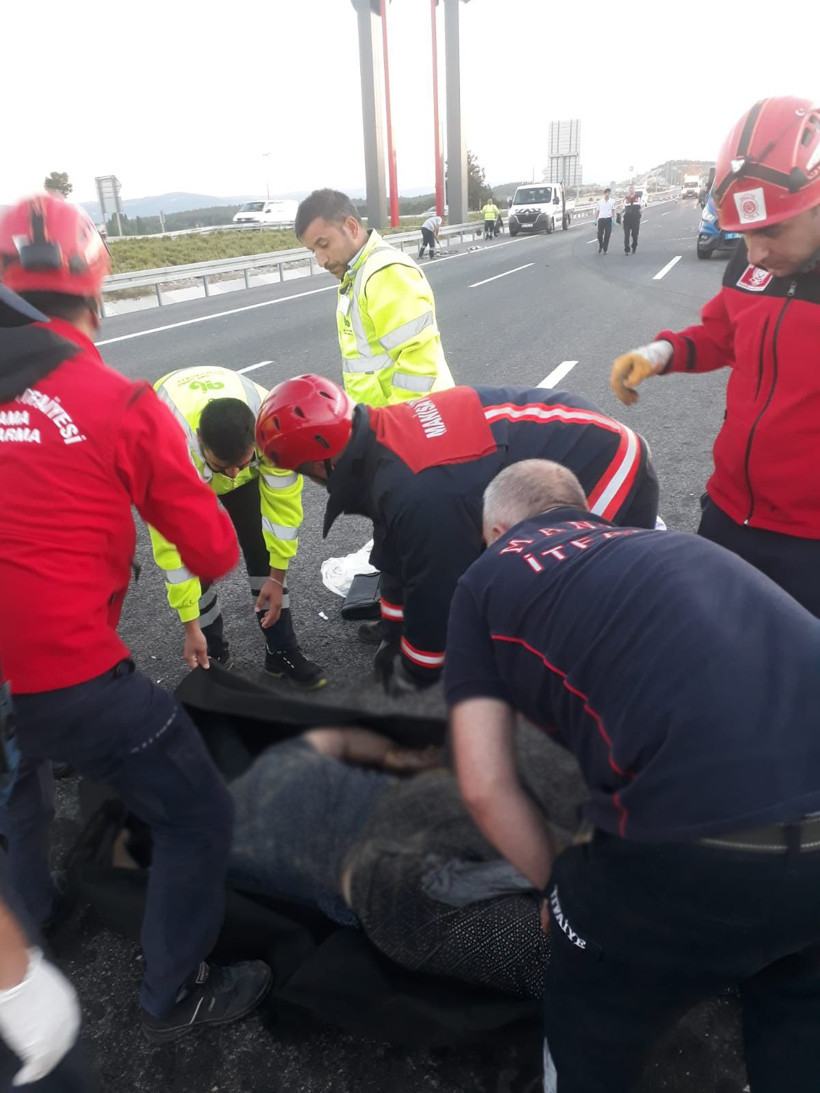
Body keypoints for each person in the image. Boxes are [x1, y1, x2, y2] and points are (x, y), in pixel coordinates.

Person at [446, 457, 820, 1093]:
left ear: (495, 529)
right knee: (800, 1001)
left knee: (591, 1017)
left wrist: (554, 885)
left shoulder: (485, 579)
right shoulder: (669, 544)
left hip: (692, 847)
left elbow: (484, 785)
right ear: (587, 511)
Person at [0, 195, 271, 1041]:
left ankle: (30, 933)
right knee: (195, 814)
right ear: (97, 291)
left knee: (18, 782)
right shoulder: (116, 400)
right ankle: (171, 995)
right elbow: (214, 552)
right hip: (69, 675)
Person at [255, 375, 659, 694]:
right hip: (557, 439)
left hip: (604, 464)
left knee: (557, 605)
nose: (306, 480)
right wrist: (394, 631)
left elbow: (437, 594)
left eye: (301, 471)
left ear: (322, 463)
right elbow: (394, 549)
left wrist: (414, 677)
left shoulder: (419, 493)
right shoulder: (377, 437)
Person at [611, 96, 820, 615]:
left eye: (771, 230)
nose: (756, 253)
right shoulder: (751, 273)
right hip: (728, 513)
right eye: (744, 233)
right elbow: (721, 334)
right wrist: (660, 353)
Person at [224, 726, 553, 998]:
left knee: (569, 941)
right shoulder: (230, 834)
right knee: (564, 949)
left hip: (410, 847)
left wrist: (396, 755)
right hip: (393, 885)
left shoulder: (278, 765)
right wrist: (394, 755)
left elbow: (342, 740)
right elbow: (342, 741)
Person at [150, 366, 325, 688]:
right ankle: (211, 656)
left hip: (224, 448)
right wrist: (191, 628)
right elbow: (171, 549)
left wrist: (277, 574)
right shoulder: (166, 449)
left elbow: (283, 510)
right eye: (221, 467)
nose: (231, 476)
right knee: (196, 556)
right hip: (183, 462)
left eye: (242, 465)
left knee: (262, 545)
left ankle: (282, 651)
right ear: (201, 441)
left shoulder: (273, 429)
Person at [294, 189, 454, 406]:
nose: (320, 260)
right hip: (385, 423)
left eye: (324, 245)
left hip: (417, 425)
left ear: (351, 227)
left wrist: (393, 429)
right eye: (313, 251)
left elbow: (418, 361)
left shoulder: (384, 271)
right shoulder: (356, 273)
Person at [594, 187, 615, 253]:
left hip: (608, 219)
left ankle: (605, 249)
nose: (607, 194)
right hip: (601, 219)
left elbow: (613, 210)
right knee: (600, 234)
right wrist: (595, 219)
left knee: (607, 234)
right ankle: (601, 245)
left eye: (608, 193)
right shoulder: (600, 202)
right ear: (604, 194)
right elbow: (597, 211)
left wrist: (614, 219)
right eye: (606, 193)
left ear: (609, 194)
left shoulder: (612, 201)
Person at [622, 185, 641, 255]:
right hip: (627, 219)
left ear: (634, 190)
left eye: (632, 188)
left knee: (635, 234)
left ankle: (634, 246)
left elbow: (642, 207)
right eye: (630, 188)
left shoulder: (638, 198)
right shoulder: (626, 199)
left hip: (635, 219)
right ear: (628, 190)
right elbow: (624, 209)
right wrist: (619, 214)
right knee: (626, 235)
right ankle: (627, 249)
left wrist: (640, 213)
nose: (631, 190)